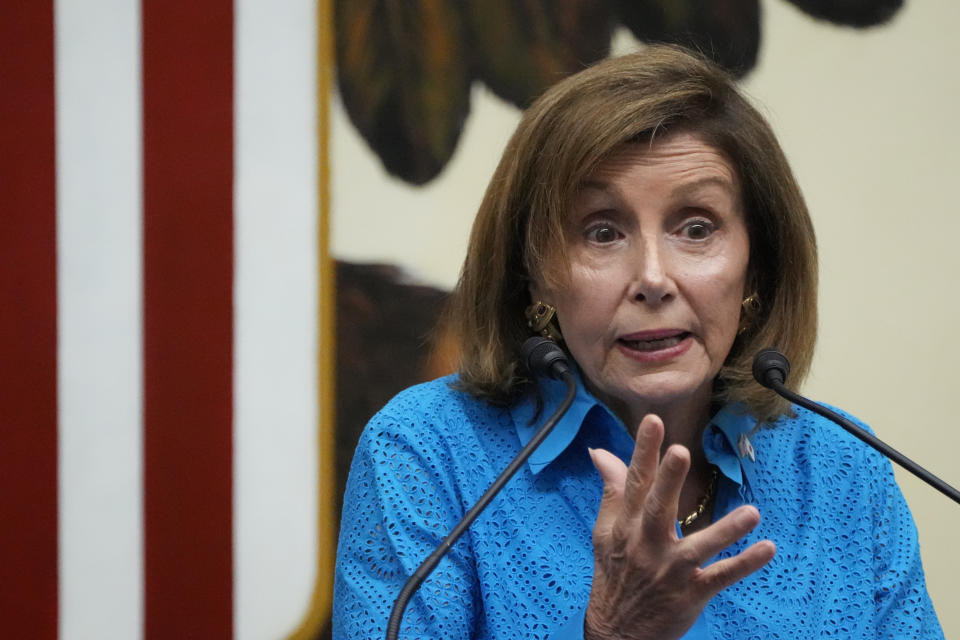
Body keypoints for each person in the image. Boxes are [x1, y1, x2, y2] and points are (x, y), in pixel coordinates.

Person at [332, 45, 944, 639]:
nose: (652, 278)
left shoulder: (841, 467)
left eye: (697, 227)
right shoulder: (426, 452)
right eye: (602, 232)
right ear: (536, 273)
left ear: (757, 266)